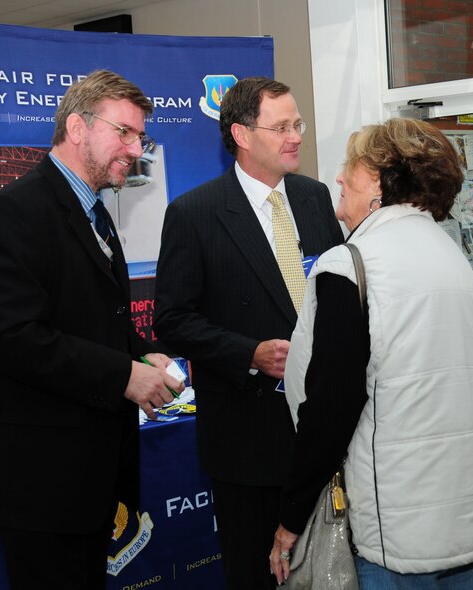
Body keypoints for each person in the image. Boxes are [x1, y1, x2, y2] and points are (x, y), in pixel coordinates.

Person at [0, 70, 184, 590]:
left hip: (89, 475)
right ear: (77, 127)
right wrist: (123, 374)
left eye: (140, 137)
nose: (135, 148)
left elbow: (95, 320)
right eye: (123, 132)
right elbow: (10, 339)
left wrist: (144, 356)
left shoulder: (96, 213)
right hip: (38, 479)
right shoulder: (15, 213)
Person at [269, 118, 473, 588]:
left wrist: (291, 518)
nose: (338, 178)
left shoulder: (351, 266)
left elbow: (329, 410)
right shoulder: (453, 260)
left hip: (392, 529)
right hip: (462, 516)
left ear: (379, 180)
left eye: (349, 167)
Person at [153, 77, 344, 590]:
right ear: (240, 133)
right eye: (280, 126)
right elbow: (171, 319)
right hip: (248, 436)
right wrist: (249, 353)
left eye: (297, 124)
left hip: (324, 429)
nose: (295, 136)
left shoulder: (315, 197)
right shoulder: (195, 213)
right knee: (258, 574)